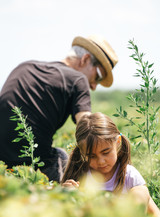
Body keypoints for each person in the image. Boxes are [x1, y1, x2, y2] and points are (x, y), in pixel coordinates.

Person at [0, 35, 118, 182]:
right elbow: (89, 130)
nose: (94, 86)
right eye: (98, 76)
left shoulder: (24, 67)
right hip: (34, 166)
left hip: (1, 163)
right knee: (63, 157)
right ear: (85, 59)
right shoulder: (78, 79)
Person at [62, 112, 160, 217]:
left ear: (117, 142)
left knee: (141, 192)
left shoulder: (129, 175)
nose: (101, 161)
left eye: (106, 152)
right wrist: (68, 194)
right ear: (82, 152)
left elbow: (155, 215)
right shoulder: (80, 177)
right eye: (92, 156)